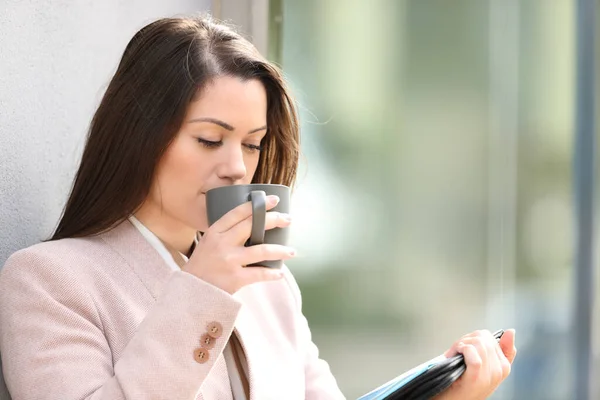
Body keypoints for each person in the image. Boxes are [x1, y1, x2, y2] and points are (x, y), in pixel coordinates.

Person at [0, 14, 517, 400]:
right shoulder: (50, 282)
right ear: (140, 136)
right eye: (208, 140)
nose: (236, 168)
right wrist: (200, 291)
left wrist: (445, 394)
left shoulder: (268, 288)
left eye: (251, 144)